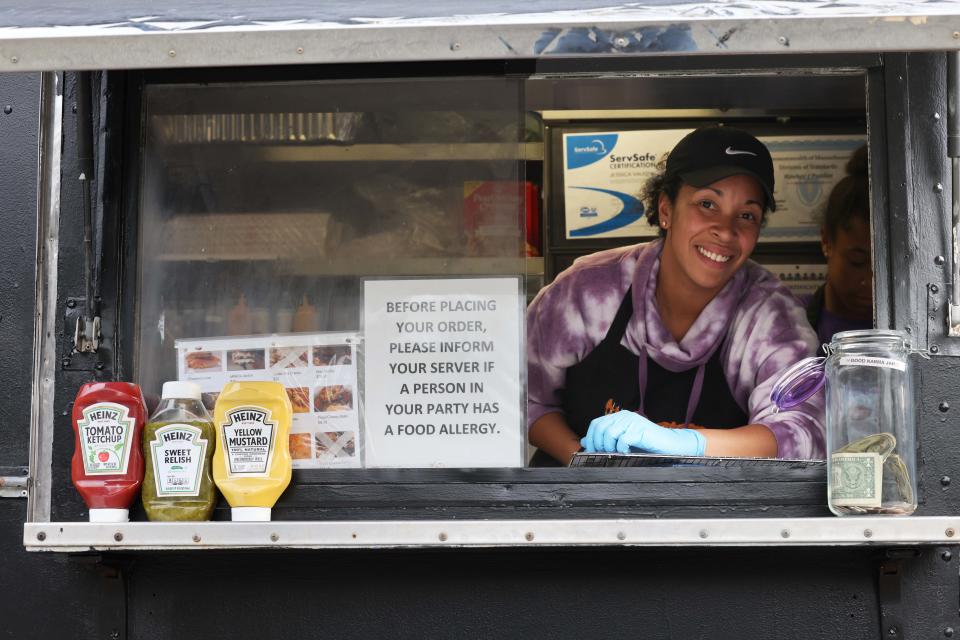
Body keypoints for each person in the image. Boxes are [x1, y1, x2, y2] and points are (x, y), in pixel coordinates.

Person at [526, 126, 824, 466]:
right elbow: (522, 398)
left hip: (708, 513)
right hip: (574, 504)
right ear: (666, 209)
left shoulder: (770, 315)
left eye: (747, 215)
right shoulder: (588, 289)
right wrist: (585, 463)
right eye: (707, 204)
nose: (726, 230)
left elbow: (806, 432)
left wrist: (689, 443)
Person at [806, 145, 871, 350]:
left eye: (886, 269)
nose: (869, 281)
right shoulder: (788, 324)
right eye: (857, 262)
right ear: (826, 242)